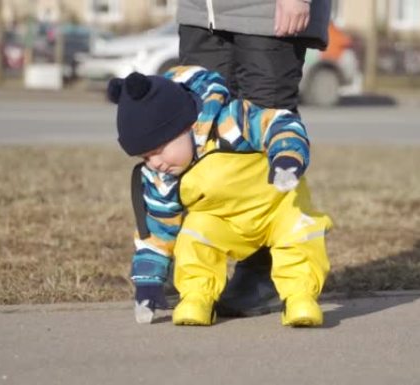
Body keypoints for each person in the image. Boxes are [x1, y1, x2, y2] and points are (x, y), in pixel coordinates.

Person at [107, 65, 332, 326]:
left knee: (300, 232)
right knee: (194, 236)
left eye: (159, 149)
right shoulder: (163, 178)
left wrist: (286, 156)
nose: (155, 162)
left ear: (185, 125)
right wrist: (147, 283)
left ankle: (300, 297)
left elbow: (278, 123)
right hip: (224, 222)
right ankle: (196, 298)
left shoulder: (229, 123)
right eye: (146, 156)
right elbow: (158, 230)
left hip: (278, 205)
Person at [175, 0, 332, 317]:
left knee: (265, 128)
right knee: (200, 129)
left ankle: (265, 268)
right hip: (200, 10)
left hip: (266, 11)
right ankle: (199, 271)